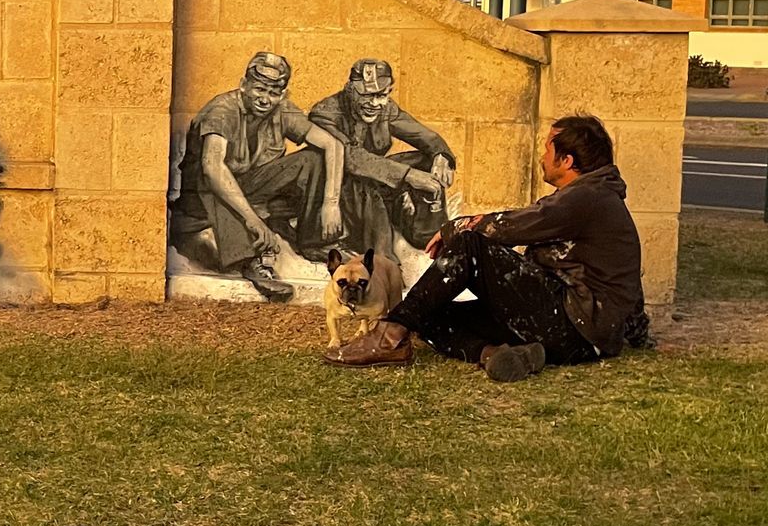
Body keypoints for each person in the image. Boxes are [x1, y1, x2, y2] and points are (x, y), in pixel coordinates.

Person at [327, 114, 645, 382]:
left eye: (548, 149)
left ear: (567, 160)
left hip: (572, 324)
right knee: (427, 312)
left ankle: (387, 337)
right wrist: (635, 331)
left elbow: (517, 225)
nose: (542, 158)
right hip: (573, 336)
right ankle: (497, 356)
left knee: (470, 244)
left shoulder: (587, 197)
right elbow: (623, 276)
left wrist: (456, 228)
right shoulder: (597, 198)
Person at [170, 52, 345, 301]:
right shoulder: (222, 110)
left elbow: (332, 145)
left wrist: (331, 203)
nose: (265, 99)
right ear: (244, 85)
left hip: (248, 187)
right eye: (259, 89)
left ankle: (311, 241)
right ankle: (252, 262)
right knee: (216, 180)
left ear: (282, 94)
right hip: (201, 198)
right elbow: (212, 168)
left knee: (312, 158)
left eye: (273, 93)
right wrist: (253, 220)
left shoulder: (281, 110)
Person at [307, 58, 457, 257]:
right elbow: (353, 159)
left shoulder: (385, 109)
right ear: (350, 89)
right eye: (366, 95)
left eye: (382, 95)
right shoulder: (325, 113)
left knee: (428, 162)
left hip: (376, 177)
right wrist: (409, 175)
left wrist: (441, 155)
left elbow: (421, 135)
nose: (375, 103)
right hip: (342, 190)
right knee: (368, 185)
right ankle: (384, 260)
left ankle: (427, 234)